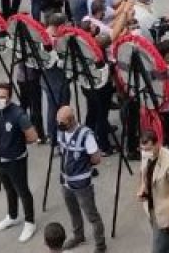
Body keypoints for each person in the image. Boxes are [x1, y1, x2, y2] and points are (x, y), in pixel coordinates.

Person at [0, 81, 39, 243]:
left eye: (2, 97)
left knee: (22, 191)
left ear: (9, 98)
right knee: (9, 189)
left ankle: (30, 222)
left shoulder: (19, 115)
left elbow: (32, 136)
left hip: (15, 161)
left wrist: (16, 143)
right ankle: (12, 215)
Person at [56, 105, 106, 252]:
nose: (59, 125)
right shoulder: (62, 132)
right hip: (66, 182)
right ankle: (78, 236)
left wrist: (84, 165)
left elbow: (96, 158)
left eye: (62, 122)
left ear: (71, 121)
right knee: (73, 212)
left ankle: (100, 245)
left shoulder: (86, 135)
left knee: (92, 215)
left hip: (82, 184)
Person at [138, 129, 169, 253]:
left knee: (159, 248)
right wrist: (143, 187)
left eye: (148, 149)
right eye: (142, 149)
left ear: (157, 144)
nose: (145, 153)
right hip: (151, 208)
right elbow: (143, 172)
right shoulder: (146, 155)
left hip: (165, 213)